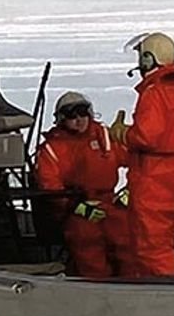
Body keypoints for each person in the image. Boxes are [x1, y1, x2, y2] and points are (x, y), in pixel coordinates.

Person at [109, 32, 174, 276]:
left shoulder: (156, 93)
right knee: (162, 241)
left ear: (148, 59)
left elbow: (147, 136)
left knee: (151, 248)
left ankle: (162, 295)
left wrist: (121, 133)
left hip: (155, 179)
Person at [34, 91, 130, 278]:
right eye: (71, 115)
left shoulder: (104, 136)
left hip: (110, 203)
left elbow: (138, 161)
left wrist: (130, 190)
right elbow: (49, 186)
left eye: (82, 112)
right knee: (88, 245)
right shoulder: (52, 149)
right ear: (61, 119)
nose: (79, 119)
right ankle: (97, 289)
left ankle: (136, 286)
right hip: (76, 209)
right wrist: (76, 206)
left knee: (128, 240)